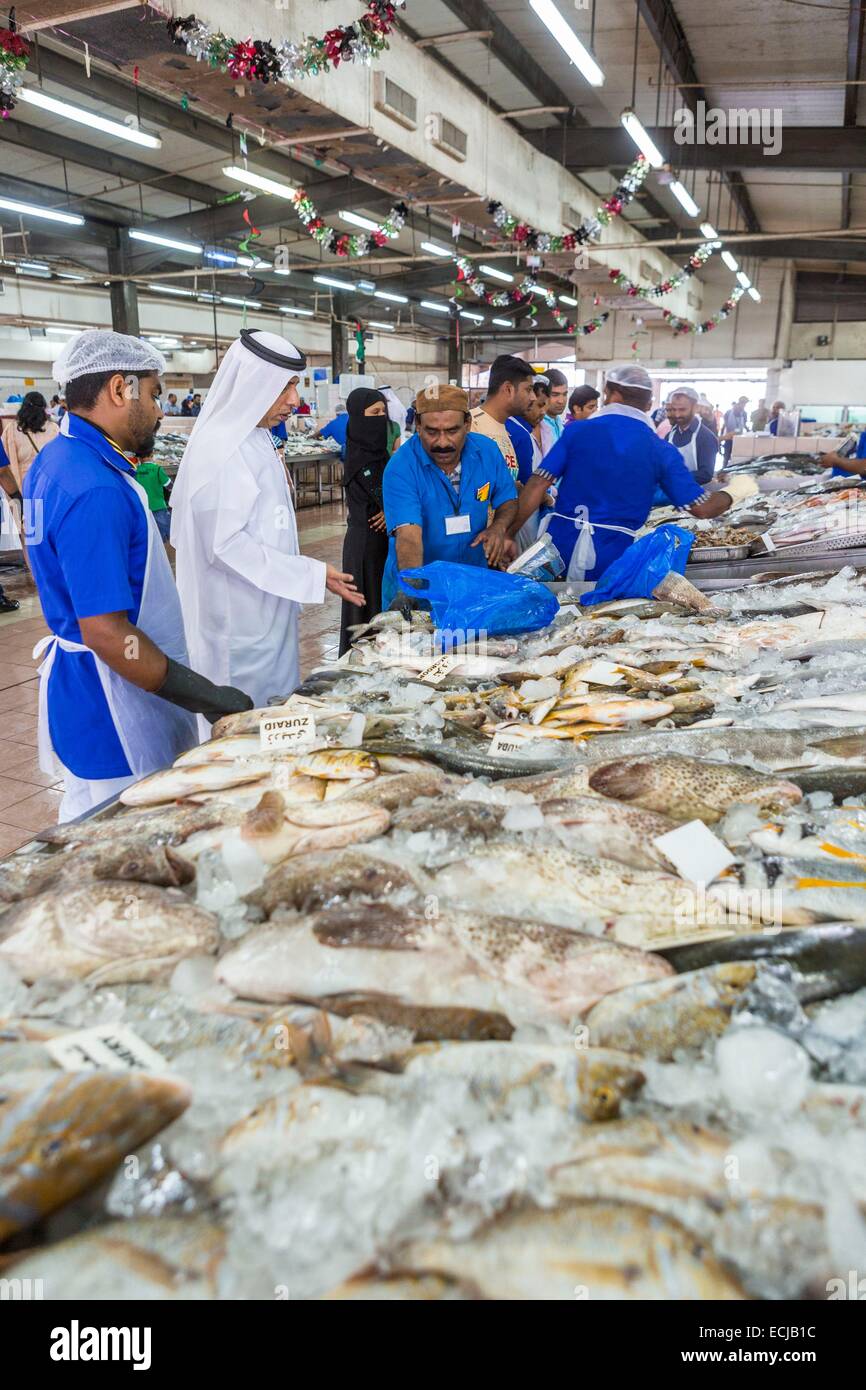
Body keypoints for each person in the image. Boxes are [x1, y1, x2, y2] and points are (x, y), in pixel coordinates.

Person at [22, 330, 253, 821]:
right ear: (119, 389)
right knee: (116, 837)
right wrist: (203, 694)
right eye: (153, 394)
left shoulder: (59, 459)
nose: (160, 409)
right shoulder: (95, 488)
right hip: (113, 704)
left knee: (87, 821)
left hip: (85, 689)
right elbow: (107, 632)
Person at [171, 329, 364, 716]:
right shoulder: (221, 449)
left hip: (265, 614)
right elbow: (225, 546)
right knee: (241, 727)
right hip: (237, 631)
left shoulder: (254, 437)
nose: (295, 400)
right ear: (252, 385)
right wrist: (310, 574)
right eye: (284, 387)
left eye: (295, 386)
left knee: (272, 715)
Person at [512, 364, 750, 585]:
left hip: (556, 553)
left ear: (609, 393)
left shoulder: (577, 431)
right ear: (648, 405)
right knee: (595, 622)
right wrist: (736, 491)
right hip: (611, 560)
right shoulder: (659, 449)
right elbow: (702, 508)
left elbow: (536, 484)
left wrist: (507, 535)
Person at [381, 383, 518, 610]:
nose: (442, 443)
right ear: (418, 424)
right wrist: (411, 588)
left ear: (467, 424)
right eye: (432, 432)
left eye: (452, 431)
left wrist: (498, 528)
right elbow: (409, 535)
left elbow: (507, 499)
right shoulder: (401, 467)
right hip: (422, 592)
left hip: (472, 586)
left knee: (474, 646)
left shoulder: (487, 452)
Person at [338, 388, 395, 654]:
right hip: (364, 546)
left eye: (383, 412)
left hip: (380, 543)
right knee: (364, 610)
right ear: (359, 418)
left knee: (377, 605)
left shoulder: (378, 454)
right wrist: (392, 509)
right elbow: (384, 495)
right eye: (374, 413)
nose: (381, 418)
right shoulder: (361, 459)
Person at [470, 355, 537, 480]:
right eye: (528, 390)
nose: (533, 397)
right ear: (508, 389)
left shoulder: (505, 430)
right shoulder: (471, 425)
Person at [1, 391, 60, 492]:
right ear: (43, 408)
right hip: (48, 485)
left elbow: (5, 464)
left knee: (28, 508)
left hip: (23, 486)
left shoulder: (11, 430)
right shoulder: (54, 429)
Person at [668, 387, 719, 486]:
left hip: (694, 496)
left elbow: (706, 474)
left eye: (682, 410)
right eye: (674, 409)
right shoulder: (670, 435)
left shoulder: (706, 437)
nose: (677, 415)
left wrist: (674, 477)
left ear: (695, 407)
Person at [133, 441, 172, 544]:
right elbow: (168, 485)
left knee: (150, 535)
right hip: (159, 506)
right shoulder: (157, 469)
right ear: (152, 455)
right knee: (164, 534)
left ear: (139, 458)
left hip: (144, 507)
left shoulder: (136, 471)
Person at [540, 368, 569, 454]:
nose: (561, 401)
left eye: (564, 394)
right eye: (555, 395)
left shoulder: (559, 423)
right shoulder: (538, 425)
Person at [721, 395, 749, 464]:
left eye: (745, 404)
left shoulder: (744, 414)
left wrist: (749, 431)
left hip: (739, 440)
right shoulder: (728, 413)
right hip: (729, 439)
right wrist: (721, 439)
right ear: (739, 402)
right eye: (743, 403)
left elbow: (744, 425)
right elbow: (724, 425)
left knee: (736, 458)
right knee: (726, 458)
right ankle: (723, 471)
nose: (743, 406)